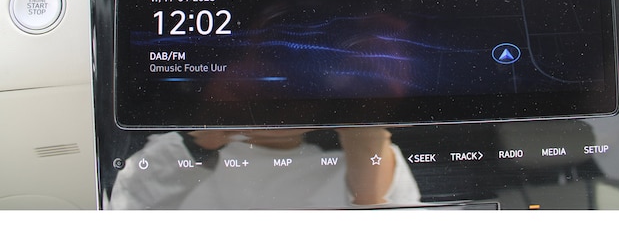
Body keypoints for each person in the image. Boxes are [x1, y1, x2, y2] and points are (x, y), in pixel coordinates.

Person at [108, 127, 421, 209]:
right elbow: (128, 207)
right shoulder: (180, 155)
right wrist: (203, 137)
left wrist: (361, 125)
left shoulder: (362, 162)